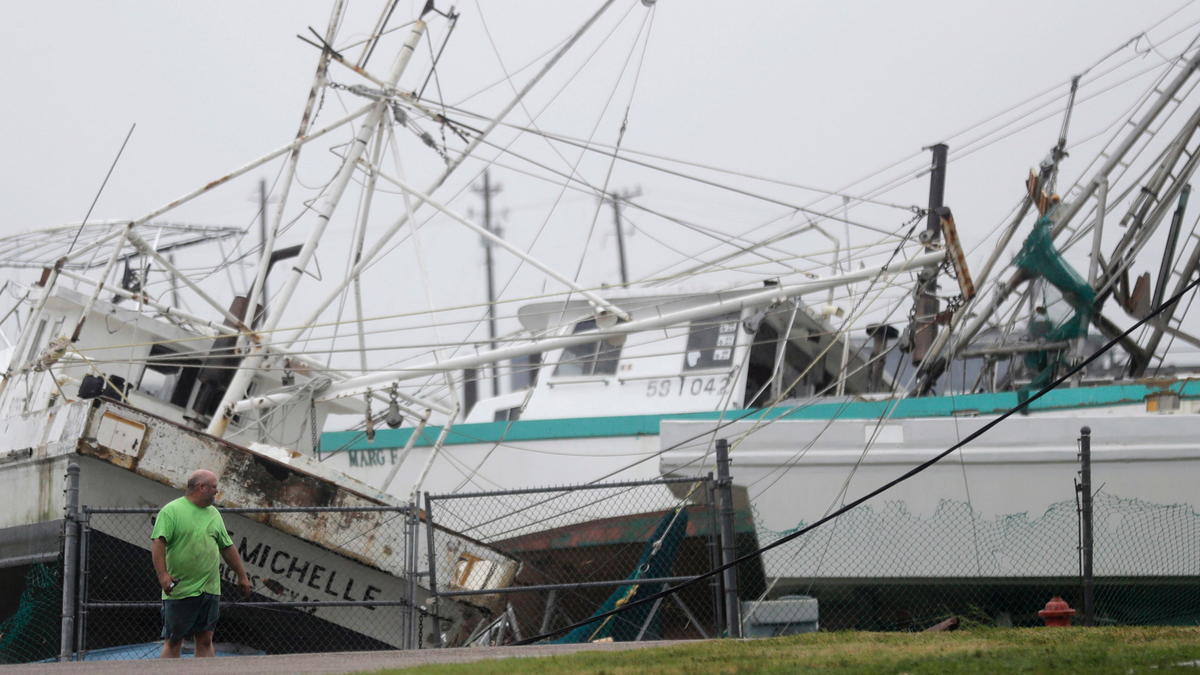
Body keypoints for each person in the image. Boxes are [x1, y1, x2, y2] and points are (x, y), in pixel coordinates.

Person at [151, 469, 251, 658]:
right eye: (214, 487)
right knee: (174, 641)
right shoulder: (171, 511)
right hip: (180, 589)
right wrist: (163, 575)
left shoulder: (213, 514)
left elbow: (227, 547)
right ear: (201, 487)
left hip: (209, 590)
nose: (216, 491)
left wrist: (241, 575)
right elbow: (158, 542)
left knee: (205, 640)